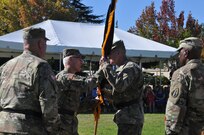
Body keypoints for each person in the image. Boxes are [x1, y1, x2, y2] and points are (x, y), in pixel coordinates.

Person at [0, 27, 59, 134]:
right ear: (41, 43)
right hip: (28, 128)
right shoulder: (41, 66)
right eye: (45, 43)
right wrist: (53, 129)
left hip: (4, 125)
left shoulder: (6, 66)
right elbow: (48, 104)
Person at [97, 40, 144, 135]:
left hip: (131, 117)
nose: (108, 57)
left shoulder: (130, 67)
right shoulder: (122, 68)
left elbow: (119, 86)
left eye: (110, 53)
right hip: (126, 116)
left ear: (118, 53)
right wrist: (103, 93)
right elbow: (121, 95)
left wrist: (105, 66)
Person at [165, 37, 204, 135]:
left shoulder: (182, 73)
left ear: (186, 53)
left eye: (180, 53)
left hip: (187, 129)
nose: (179, 56)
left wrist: (171, 130)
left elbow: (176, 106)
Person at [56, 49, 98, 135]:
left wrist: (93, 103)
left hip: (69, 124)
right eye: (79, 59)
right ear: (70, 59)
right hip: (62, 126)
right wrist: (103, 69)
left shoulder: (71, 77)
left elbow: (75, 107)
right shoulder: (65, 77)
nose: (82, 62)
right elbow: (87, 85)